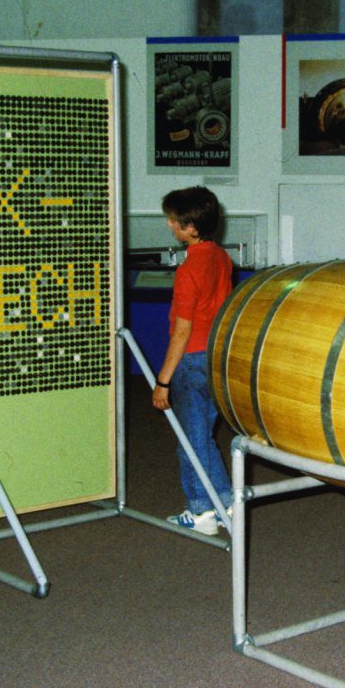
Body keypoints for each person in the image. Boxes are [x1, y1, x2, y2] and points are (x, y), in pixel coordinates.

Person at [151, 186, 234, 536]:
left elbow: (182, 331)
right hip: (215, 358)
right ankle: (226, 503)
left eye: (174, 220)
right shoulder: (222, 258)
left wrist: (163, 380)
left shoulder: (188, 270)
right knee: (203, 437)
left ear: (191, 228)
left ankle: (201, 511)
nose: (169, 225)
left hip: (191, 361)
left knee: (190, 440)